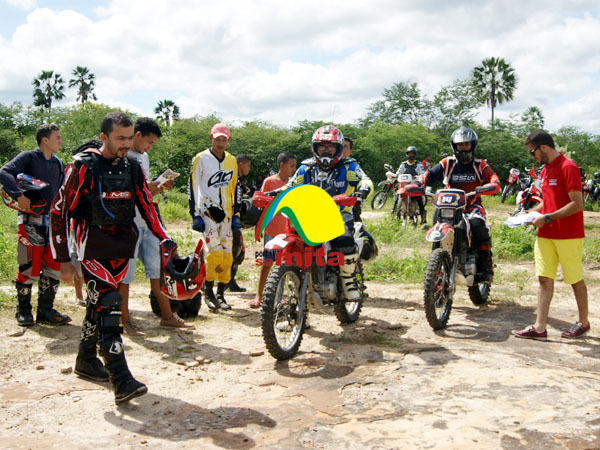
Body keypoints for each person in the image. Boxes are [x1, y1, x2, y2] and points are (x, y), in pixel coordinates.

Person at [51, 112, 171, 404]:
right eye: (120, 138)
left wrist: (163, 236)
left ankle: (86, 361)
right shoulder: (83, 167)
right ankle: (121, 378)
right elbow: (59, 211)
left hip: (122, 246)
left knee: (98, 305)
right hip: (92, 245)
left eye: (130, 137)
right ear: (104, 137)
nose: (126, 144)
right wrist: (64, 258)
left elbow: (145, 202)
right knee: (109, 305)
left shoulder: (132, 165)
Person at [267, 126, 371, 303]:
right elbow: (290, 185)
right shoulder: (306, 168)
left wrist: (361, 192)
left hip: (339, 213)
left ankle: (348, 280)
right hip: (308, 215)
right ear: (315, 147)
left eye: (330, 146)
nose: (326, 150)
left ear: (338, 148)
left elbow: (365, 180)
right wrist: (273, 194)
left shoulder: (349, 166)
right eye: (321, 146)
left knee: (344, 238)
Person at [512, 129, 590, 340]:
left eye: (533, 152)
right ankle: (539, 327)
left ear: (543, 148)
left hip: (568, 235)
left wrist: (547, 218)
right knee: (544, 279)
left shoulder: (569, 167)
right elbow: (548, 202)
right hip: (545, 234)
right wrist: (528, 213)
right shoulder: (545, 171)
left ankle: (583, 322)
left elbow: (577, 204)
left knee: (574, 279)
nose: (532, 157)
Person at [118, 118, 192, 336]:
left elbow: (146, 194)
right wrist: (149, 186)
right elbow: (130, 191)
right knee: (126, 275)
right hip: (129, 224)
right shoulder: (123, 157)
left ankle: (167, 316)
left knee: (158, 270)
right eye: (148, 142)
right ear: (137, 135)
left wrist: (160, 187)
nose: (149, 147)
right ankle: (125, 320)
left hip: (147, 223)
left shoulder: (143, 157)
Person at [0, 123, 71, 326]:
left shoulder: (59, 163)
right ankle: (23, 310)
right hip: (29, 221)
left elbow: (61, 193)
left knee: (53, 266)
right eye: (57, 137)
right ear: (44, 140)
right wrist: (18, 195)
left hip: (53, 223)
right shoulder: (28, 157)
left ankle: (46, 311)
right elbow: (4, 172)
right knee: (28, 265)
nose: (60, 141)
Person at [417, 127, 500, 283]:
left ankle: (486, 266)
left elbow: (492, 177)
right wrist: (417, 182)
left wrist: (493, 183)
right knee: (437, 224)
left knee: (478, 224)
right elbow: (429, 175)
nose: (463, 148)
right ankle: (437, 265)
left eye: (466, 144)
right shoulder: (447, 163)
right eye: (460, 145)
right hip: (448, 207)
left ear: (472, 145)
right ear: (454, 146)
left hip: (471, 206)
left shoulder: (479, 165)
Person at [189, 123, 240, 311]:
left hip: (227, 214)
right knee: (214, 254)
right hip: (208, 212)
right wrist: (194, 214)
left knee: (227, 256)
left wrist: (237, 213)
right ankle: (208, 291)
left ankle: (221, 294)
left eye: (224, 139)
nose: (220, 143)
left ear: (228, 140)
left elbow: (236, 187)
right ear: (211, 138)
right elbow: (192, 185)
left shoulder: (231, 160)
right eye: (217, 139)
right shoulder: (201, 158)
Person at [249, 151, 297, 308]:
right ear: (281, 165)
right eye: (291, 166)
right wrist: (260, 226)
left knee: (283, 264)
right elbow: (261, 203)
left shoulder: (293, 183)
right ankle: (259, 295)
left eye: (295, 166)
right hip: (272, 230)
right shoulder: (269, 182)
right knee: (267, 262)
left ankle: (279, 296)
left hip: (288, 231)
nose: (293, 169)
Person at [228, 153, 252, 293]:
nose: (249, 168)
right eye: (248, 165)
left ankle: (230, 281)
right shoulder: (231, 178)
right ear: (240, 164)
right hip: (227, 219)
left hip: (235, 220)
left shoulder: (238, 180)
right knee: (231, 251)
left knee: (238, 252)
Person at [396, 146, 426, 224]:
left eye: (412, 153)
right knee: (397, 196)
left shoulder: (418, 164)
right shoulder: (403, 164)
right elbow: (398, 173)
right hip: (404, 185)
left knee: (419, 200)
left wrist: (420, 177)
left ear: (415, 154)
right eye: (409, 153)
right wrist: (395, 176)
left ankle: (423, 217)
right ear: (407, 154)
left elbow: (423, 173)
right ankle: (395, 212)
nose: (411, 155)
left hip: (415, 185)